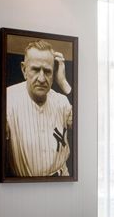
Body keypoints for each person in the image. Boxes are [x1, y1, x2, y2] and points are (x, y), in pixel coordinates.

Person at [5, 39, 73, 177]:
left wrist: (64, 83)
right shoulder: (7, 99)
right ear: (24, 69)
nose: (41, 79)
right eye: (35, 70)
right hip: (25, 186)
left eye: (47, 71)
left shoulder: (61, 101)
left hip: (63, 181)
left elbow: (88, 129)